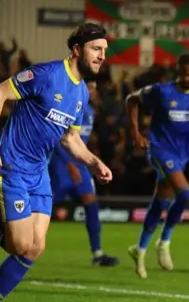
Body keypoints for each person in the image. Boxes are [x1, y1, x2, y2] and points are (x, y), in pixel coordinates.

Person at [0, 23, 113, 301]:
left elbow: (70, 139)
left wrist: (94, 163)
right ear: (77, 49)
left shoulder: (80, 94)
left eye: (105, 50)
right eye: (96, 49)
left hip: (38, 173)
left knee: (35, 247)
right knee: (19, 245)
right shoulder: (46, 75)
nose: (102, 55)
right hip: (11, 164)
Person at [125, 53, 189, 279]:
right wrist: (135, 133)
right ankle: (164, 242)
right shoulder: (161, 91)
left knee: (161, 199)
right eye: (186, 74)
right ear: (178, 72)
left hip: (182, 153)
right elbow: (131, 100)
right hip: (159, 148)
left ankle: (140, 249)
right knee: (184, 193)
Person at [48, 80, 119, 266]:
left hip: (79, 164)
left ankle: (97, 253)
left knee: (91, 203)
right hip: (60, 163)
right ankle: (17, 239)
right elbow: (56, 139)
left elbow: (81, 141)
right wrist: (69, 164)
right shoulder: (65, 105)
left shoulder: (89, 112)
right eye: (89, 87)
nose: (92, 92)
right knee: (44, 208)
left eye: (94, 88)